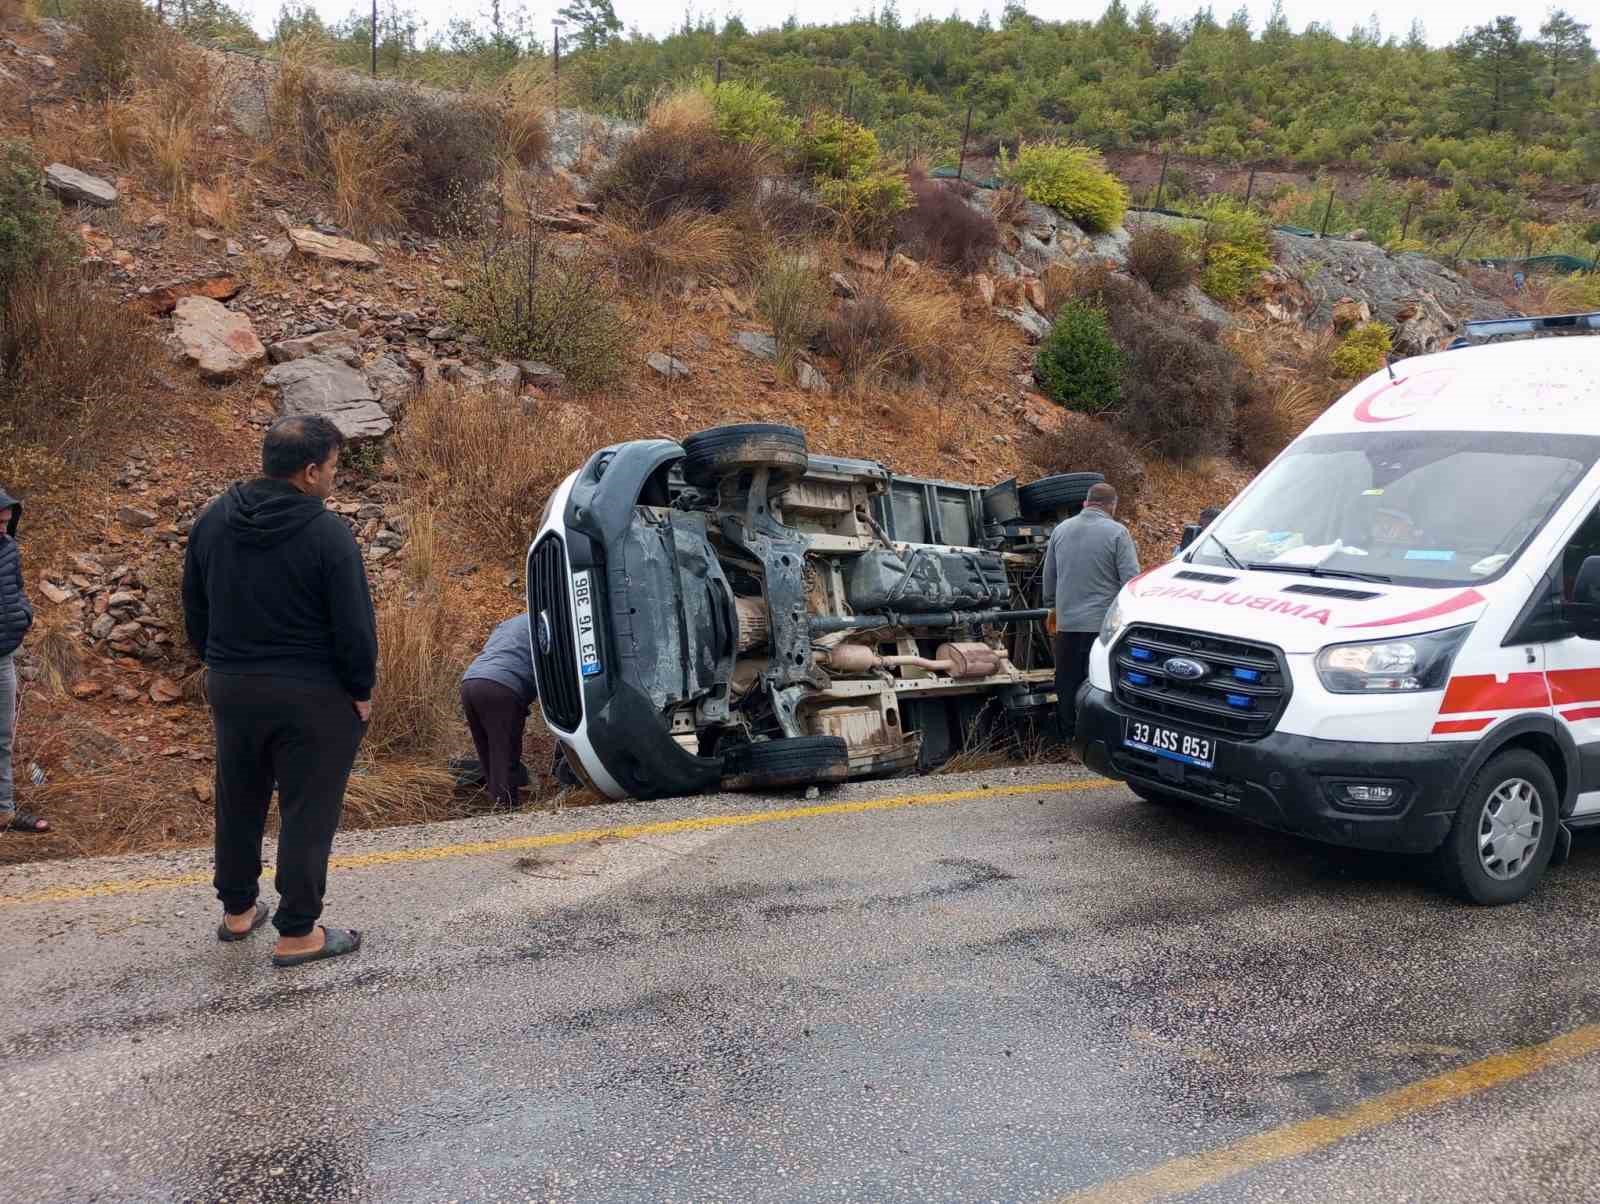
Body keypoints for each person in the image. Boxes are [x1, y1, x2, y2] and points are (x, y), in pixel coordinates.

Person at [182, 416, 377, 968]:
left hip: (233, 684)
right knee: (307, 810)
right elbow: (354, 627)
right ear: (310, 471)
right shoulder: (327, 534)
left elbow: (194, 606)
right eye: (334, 468)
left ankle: (238, 911)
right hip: (311, 693)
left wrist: (219, 662)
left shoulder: (214, 519)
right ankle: (297, 932)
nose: (334, 479)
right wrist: (359, 688)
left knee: (238, 796)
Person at [1042, 482, 1140, 745]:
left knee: (1067, 682)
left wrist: (1056, 607)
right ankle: (1098, 741)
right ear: (1112, 506)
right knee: (1100, 684)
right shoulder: (1118, 533)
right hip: (1103, 630)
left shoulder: (1060, 531)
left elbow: (1048, 582)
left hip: (1068, 625)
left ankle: (1068, 739)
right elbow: (1131, 582)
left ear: (1085, 502)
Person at [0, 484, 48, 835]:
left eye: (7, 519)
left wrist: (24, 614)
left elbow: (17, 589)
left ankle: (3, 812)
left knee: (2, 738)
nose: (5, 525)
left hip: (3, 656)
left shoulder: (9, 549)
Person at [460, 613, 537, 809]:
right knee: (504, 751)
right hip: (501, 686)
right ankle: (507, 809)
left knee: (487, 752)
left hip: (470, 683)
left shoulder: (509, 623)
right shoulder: (546, 622)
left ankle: (497, 804)